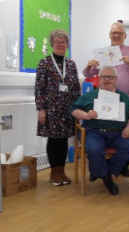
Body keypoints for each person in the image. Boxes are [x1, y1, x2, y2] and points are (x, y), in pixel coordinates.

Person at [83, 22, 129, 177]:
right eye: (113, 33)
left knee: (123, 134)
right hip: (104, 98)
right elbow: (89, 75)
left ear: (125, 36)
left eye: (119, 33)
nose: (116, 35)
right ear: (109, 35)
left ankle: (120, 166)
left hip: (125, 98)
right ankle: (104, 169)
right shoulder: (102, 53)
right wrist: (88, 67)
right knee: (104, 131)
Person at [71, 66, 129, 195]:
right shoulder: (89, 96)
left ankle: (100, 170)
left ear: (115, 79)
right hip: (95, 132)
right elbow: (74, 110)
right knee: (93, 148)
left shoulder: (124, 97)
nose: (107, 79)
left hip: (118, 133)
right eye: (103, 77)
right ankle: (107, 179)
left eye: (110, 77)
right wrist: (86, 115)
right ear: (99, 79)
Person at [35, 29, 81, 186]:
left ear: (67, 45)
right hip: (51, 109)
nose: (61, 45)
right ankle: (53, 172)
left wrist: (78, 109)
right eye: (57, 42)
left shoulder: (71, 64)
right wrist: (41, 109)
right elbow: (39, 88)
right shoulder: (44, 63)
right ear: (52, 44)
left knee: (63, 141)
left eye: (63, 42)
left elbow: (75, 88)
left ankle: (62, 171)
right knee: (53, 140)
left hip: (67, 109)